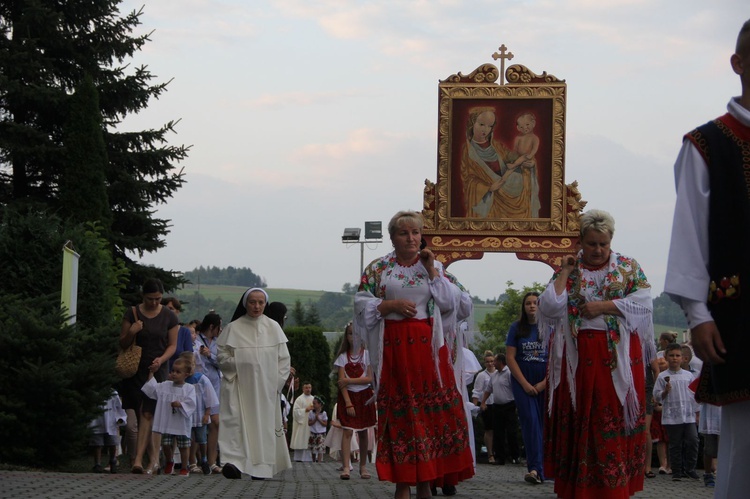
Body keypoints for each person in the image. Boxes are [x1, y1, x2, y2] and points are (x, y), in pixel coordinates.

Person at [664, 20, 750, 498]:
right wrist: (698, 314)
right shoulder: (708, 144)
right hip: (739, 317)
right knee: (743, 447)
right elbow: (689, 235)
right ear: (738, 64)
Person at [354, 210, 474, 499]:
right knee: (401, 415)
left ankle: (426, 484)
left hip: (428, 351)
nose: (411, 238)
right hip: (394, 348)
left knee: (431, 416)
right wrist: (388, 306)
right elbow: (360, 304)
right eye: (403, 233)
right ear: (392, 237)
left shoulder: (435, 267)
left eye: (415, 232)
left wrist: (432, 269)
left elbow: (454, 304)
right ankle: (402, 484)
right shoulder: (379, 268)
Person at [537, 209, 655, 499]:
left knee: (610, 419)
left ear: (611, 240)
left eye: (603, 243)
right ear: (580, 242)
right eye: (591, 243)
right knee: (581, 419)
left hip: (617, 357)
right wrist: (564, 271)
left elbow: (644, 304)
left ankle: (614, 489)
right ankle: (579, 489)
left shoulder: (627, 267)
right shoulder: (570, 269)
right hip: (577, 358)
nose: (598, 250)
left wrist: (604, 307)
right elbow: (549, 308)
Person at [216, 287, 292, 480]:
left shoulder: (273, 327)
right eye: (252, 302)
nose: (257, 306)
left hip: (266, 390)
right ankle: (235, 464)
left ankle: (261, 469)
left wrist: (275, 385)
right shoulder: (234, 328)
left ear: (265, 304)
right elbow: (222, 357)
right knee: (236, 424)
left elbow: (283, 360)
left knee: (263, 429)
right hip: (239, 388)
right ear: (245, 303)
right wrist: (241, 362)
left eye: (260, 302)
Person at [118, 278, 179, 475]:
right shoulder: (132, 312)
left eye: (158, 299)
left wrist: (161, 360)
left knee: (149, 414)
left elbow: (172, 345)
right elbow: (123, 343)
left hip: (158, 369)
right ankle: (148, 460)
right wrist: (133, 331)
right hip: (136, 369)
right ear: (143, 296)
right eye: (150, 299)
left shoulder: (169, 316)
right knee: (141, 413)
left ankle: (147, 460)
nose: (154, 302)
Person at [460, 107, 536, 219]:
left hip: (508, 189)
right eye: (481, 124)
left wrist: (529, 163)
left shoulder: (497, 146)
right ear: (472, 124)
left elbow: (511, 158)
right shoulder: (467, 151)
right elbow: (467, 180)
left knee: (526, 178)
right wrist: (488, 188)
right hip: (490, 197)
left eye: (490, 126)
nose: (485, 129)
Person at [505, 291, 547, 484]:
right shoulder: (516, 328)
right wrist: (524, 384)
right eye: (528, 303)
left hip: (544, 381)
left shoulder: (550, 327)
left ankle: (544, 468)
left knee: (544, 425)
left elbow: (558, 358)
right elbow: (510, 358)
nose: (532, 306)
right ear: (523, 307)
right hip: (523, 382)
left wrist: (544, 383)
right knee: (530, 423)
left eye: (535, 303)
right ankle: (534, 469)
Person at [333, 322, 376, 480]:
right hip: (348, 397)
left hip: (364, 396)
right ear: (347, 336)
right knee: (347, 431)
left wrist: (349, 381)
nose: (354, 337)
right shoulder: (342, 357)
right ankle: (346, 467)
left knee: (364, 431)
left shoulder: (367, 355)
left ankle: (363, 467)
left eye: (357, 334)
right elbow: (341, 383)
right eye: (351, 334)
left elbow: (369, 378)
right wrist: (348, 402)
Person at [140, 357, 197, 476]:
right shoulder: (165, 386)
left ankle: (184, 466)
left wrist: (181, 404)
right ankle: (170, 461)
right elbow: (152, 389)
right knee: (166, 444)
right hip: (167, 422)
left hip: (181, 423)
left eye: (178, 372)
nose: (174, 374)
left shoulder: (189, 388)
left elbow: (192, 404)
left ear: (186, 374)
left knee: (183, 446)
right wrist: (152, 372)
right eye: (173, 371)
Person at [652, 343, 700, 481]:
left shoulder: (688, 376)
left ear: (683, 358)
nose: (674, 358)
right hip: (672, 416)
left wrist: (697, 412)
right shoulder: (662, 376)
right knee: (675, 444)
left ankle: (690, 468)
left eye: (677, 356)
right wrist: (665, 392)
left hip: (688, 415)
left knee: (693, 441)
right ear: (666, 357)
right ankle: (677, 471)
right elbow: (656, 396)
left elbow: (694, 395)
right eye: (672, 356)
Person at [181, 351, 218, 475]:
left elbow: (209, 397)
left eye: (191, 364)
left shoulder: (201, 379)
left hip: (200, 415)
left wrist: (207, 413)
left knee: (201, 439)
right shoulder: (182, 381)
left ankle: (204, 459)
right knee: (188, 439)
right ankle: (189, 462)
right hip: (187, 416)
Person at [480, 354, 520, 467]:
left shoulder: (509, 373)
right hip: (497, 406)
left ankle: (515, 456)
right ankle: (500, 457)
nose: (493, 363)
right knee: (498, 433)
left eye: (495, 361)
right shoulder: (494, 375)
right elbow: (488, 390)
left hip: (509, 405)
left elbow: (515, 389)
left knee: (511, 431)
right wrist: (483, 401)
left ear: (501, 362)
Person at [195, 313, 223, 474]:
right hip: (198, 386)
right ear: (212, 326)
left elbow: (222, 362)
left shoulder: (218, 344)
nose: (220, 330)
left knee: (215, 422)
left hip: (214, 385)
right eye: (219, 326)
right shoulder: (196, 339)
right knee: (198, 423)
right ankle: (196, 461)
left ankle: (212, 461)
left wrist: (210, 355)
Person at [89, 390, 127, 474]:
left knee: (112, 443)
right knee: (97, 444)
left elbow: (119, 408)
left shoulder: (113, 394)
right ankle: (97, 464)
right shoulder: (93, 393)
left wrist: (120, 418)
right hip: (97, 421)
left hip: (111, 423)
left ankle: (112, 460)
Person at [471, 351, 496, 464]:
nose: (490, 364)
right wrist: (475, 407)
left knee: (499, 430)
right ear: (484, 363)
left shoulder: (500, 373)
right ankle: (490, 454)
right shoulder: (481, 375)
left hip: (499, 404)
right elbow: (477, 391)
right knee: (489, 429)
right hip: (487, 405)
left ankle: (499, 452)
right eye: (487, 362)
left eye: (492, 361)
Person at [163, 297, 195, 369]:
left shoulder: (184, 332)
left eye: (171, 309)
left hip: (178, 375)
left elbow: (188, 357)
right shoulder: (158, 330)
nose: (167, 311)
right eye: (165, 309)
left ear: (177, 312)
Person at [290, 381, 315, 462]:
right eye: (306, 388)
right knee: (301, 439)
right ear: (303, 389)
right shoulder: (299, 399)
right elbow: (295, 412)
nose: (308, 389)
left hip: (311, 423)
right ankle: (299, 458)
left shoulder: (314, 399)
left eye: (309, 388)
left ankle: (311, 458)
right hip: (302, 423)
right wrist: (305, 410)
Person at [308, 396, 328, 463]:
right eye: (313, 403)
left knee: (320, 448)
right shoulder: (311, 412)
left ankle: (319, 461)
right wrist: (315, 419)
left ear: (319, 404)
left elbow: (325, 424)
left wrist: (318, 419)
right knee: (313, 447)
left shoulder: (324, 413)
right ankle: (313, 460)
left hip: (321, 432)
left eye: (315, 403)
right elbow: (309, 423)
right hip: (313, 431)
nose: (313, 405)